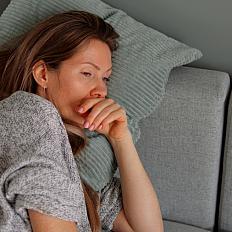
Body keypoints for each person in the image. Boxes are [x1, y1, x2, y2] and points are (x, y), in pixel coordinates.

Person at [0, 10, 163, 232]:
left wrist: (121, 139)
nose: (102, 90)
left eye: (105, 78)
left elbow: (147, 229)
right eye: (87, 73)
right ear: (43, 74)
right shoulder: (29, 112)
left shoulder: (76, 172)